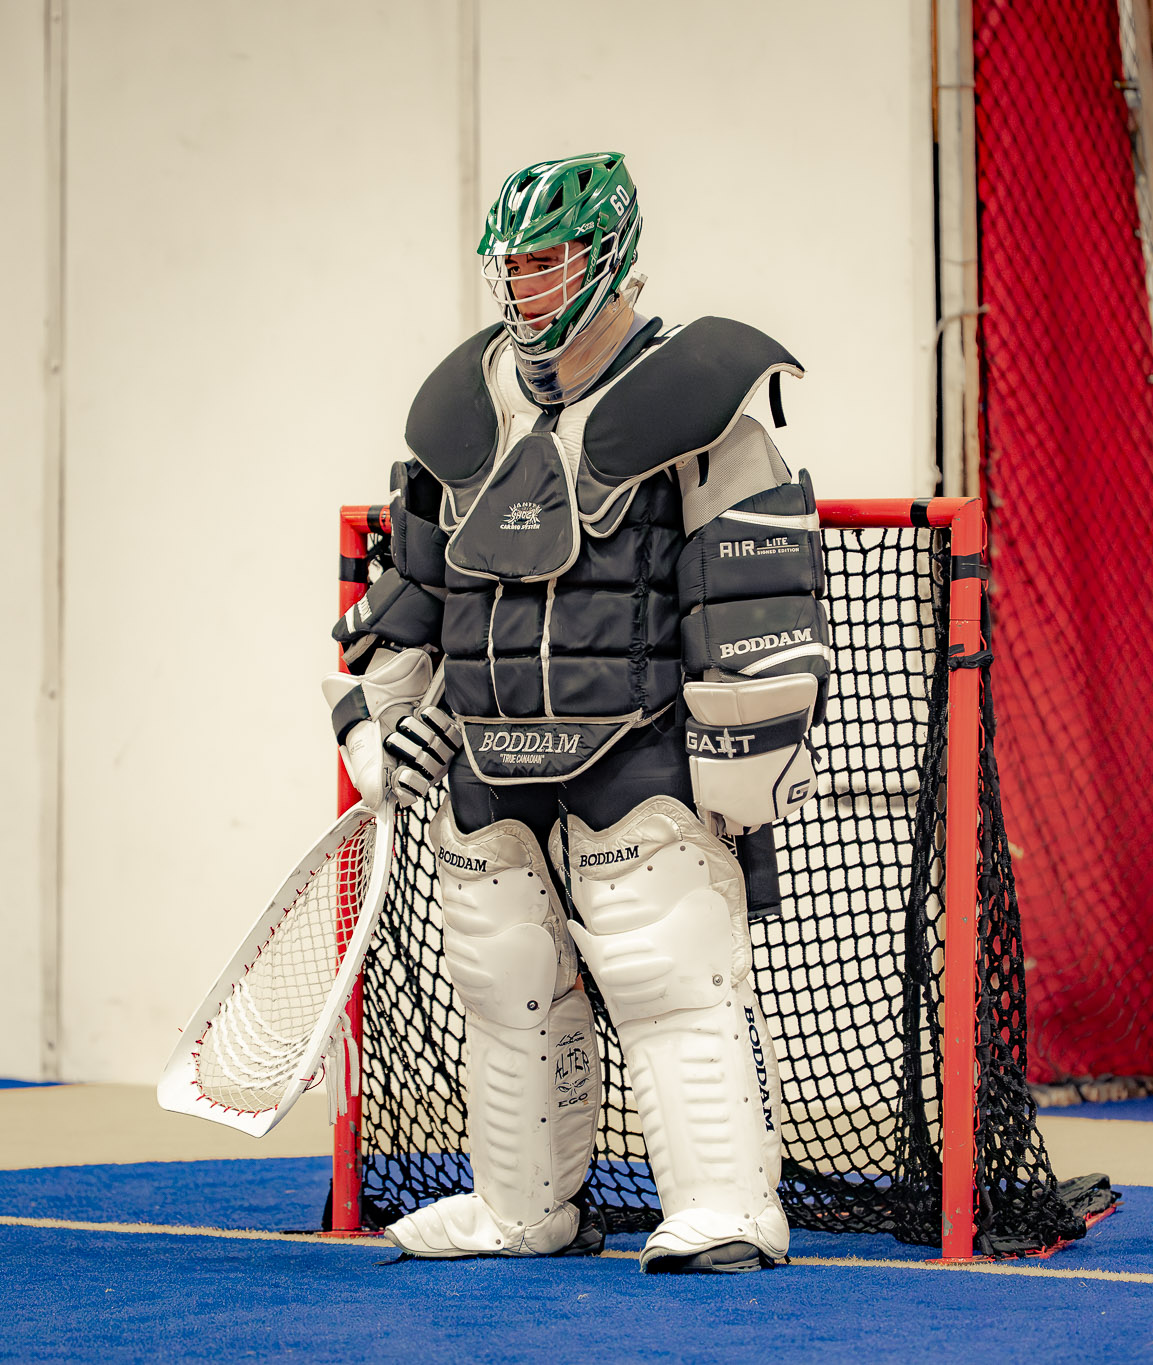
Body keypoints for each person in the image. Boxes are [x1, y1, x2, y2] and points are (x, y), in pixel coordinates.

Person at [322, 153, 830, 1274]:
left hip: (638, 755)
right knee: (502, 984)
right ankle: (519, 1210)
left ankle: (726, 1208)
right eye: (511, 266)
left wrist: (739, 772)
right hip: (486, 757)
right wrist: (381, 720)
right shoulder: (461, 408)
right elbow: (409, 591)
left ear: (607, 257)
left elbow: (752, 589)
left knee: (666, 976)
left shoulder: (701, 396)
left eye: (546, 262)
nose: (525, 288)